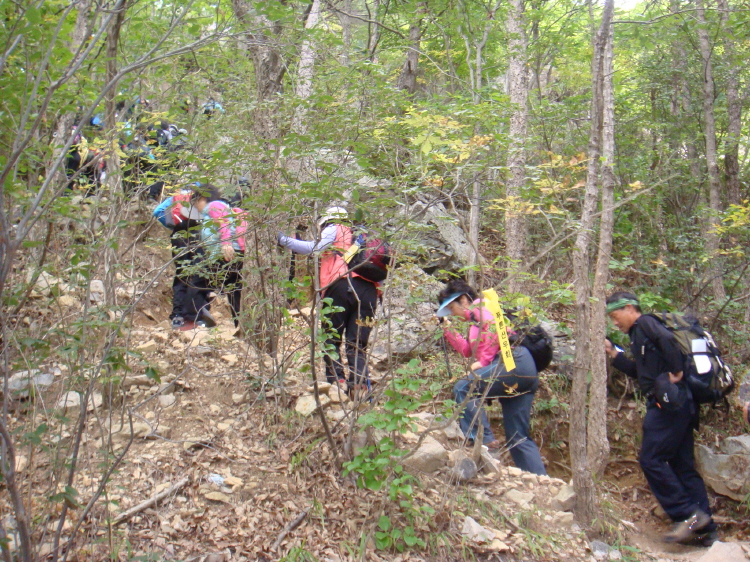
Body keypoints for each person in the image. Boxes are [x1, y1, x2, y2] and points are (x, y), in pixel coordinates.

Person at [605, 291, 717, 546]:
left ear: (631, 308)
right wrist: (615, 354)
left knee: (651, 459)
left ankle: (688, 515)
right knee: (682, 465)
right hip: (681, 403)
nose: (615, 322)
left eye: (616, 315)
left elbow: (667, 339)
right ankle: (706, 532)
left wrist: (676, 371)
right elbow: (641, 372)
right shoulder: (639, 335)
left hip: (667, 405)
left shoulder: (645, 323)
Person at [438, 280, 547, 475]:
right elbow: (466, 350)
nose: (452, 313)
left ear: (464, 300)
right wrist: (448, 329)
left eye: (452, 308)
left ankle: (484, 442)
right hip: (522, 372)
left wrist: (484, 361)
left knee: (463, 388)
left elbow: (493, 327)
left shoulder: (482, 306)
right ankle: (541, 481)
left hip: (513, 362)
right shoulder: (474, 324)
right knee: (518, 437)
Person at [277, 206, 378, 396]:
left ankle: (336, 382)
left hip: (341, 286)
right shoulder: (365, 236)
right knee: (357, 343)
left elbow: (315, 249)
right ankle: (359, 387)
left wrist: (284, 240)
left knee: (331, 337)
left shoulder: (336, 228)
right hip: (369, 292)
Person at [170, 184, 221, 330]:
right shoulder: (211, 211)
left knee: (183, 275)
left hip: (179, 236)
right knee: (197, 275)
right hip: (192, 237)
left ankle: (181, 315)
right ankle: (193, 316)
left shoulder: (185, 207)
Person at [201, 200, 247, 328]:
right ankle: (239, 325)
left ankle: (197, 315)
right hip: (236, 254)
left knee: (199, 281)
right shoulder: (230, 212)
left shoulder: (214, 205)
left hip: (225, 255)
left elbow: (223, 224)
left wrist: (226, 244)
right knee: (234, 291)